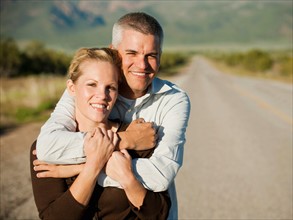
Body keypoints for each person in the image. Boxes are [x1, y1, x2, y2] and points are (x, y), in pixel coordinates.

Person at [35, 12, 191, 219]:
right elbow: (46, 147)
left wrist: (76, 168)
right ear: (113, 52)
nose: (142, 65)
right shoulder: (89, 90)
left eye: (151, 55)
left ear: (160, 56)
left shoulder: (174, 100)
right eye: (132, 53)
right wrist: (126, 140)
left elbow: (161, 175)